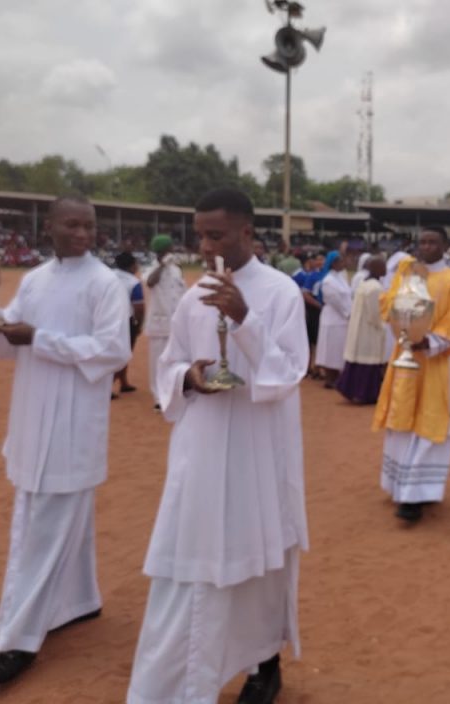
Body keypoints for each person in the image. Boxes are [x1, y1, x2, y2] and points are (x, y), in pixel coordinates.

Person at [126, 188, 308, 704]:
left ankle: (263, 662)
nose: (205, 246)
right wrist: (190, 376)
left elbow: (288, 373)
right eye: (200, 234)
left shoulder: (280, 292)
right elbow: (169, 365)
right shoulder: (191, 295)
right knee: (190, 556)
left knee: (259, 558)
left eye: (217, 234)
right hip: (201, 448)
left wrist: (246, 320)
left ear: (248, 232)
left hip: (258, 449)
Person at [0, 195, 131, 685]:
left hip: (73, 422)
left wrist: (40, 339)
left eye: (89, 225)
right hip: (32, 415)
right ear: (50, 227)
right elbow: (1, 336)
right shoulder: (36, 279)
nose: (82, 233)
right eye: (72, 224)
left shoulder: (106, 284)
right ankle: (80, 601)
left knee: (38, 531)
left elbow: (112, 350)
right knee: (58, 520)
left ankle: (17, 640)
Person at [373, 227, 450, 523]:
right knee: (402, 418)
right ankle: (399, 485)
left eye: (433, 242)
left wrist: (427, 340)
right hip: (405, 357)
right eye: (423, 242)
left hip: (436, 361)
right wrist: (402, 322)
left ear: (445, 246)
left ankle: (416, 496)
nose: (426, 247)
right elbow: (388, 304)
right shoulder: (407, 273)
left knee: (429, 421)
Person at [337, 256, 390, 404]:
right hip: (369, 330)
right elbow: (375, 313)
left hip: (360, 328)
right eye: (383, 266)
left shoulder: (364, 284)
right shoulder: (375, 288)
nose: (386, 269)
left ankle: (354, 391)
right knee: (367, 361)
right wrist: (383, 326)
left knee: (359, 360)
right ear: (376, 269)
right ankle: (363, 394)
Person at [144, 235, 187, 411]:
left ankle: (174, 392)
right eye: (167, 250)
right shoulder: (152, 269)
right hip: (159, 324)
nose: (171, 252)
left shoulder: (176, 270)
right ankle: (158, 397)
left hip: (177, 324)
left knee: (176, 359)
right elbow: (150, 282)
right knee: (157, 362)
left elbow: (182, 293)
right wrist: (161, 265)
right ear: (159, 253)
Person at [313, 250, 352, 389]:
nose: (343, 263)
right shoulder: (328, 280)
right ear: (333, 263)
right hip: (333, 317)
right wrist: (347, 313)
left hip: (342, 318)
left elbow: (347, 296)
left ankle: (337, 377)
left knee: (339, 347)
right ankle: (330, 378)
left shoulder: (341, 277)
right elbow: (335, 300)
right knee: (331, 349)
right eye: (340, 261)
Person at [113, 251, 145, 398]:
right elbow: (139, 307)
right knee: (124, 353)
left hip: (106, 319)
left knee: (111, 352)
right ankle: (108, 386)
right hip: (125, 321)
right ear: (132, 266)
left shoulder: (108, 276)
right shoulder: (133, 282)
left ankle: (123, 382)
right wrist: (139, 324)